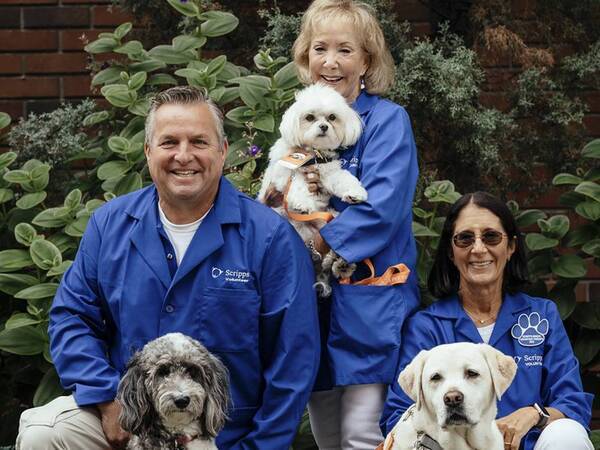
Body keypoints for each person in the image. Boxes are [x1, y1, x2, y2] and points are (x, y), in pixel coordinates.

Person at [16, 86, 321, 450]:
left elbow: (294, 359)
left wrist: (259, 446)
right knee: (43, 435)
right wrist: (107, 399)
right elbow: (71, 317)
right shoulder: (110, 225)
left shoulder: (270, 238)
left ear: (223, 152)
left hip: (222, 433)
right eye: (169, 142)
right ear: (148, 152)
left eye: (199, 142)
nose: (183, 155)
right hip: (127, 420)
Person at [291, 1, 420, 448]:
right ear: (306, 58)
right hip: (312, 307)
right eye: (319, 48)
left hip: (370, 301)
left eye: (345, 50)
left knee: (363, 436)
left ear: (366, 60)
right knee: (327, 437)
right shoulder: (299, 126)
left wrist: (313, 249)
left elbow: (380, 209)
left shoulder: (387, 122)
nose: (330, 61)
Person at [381, 191, 594, 450]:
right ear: (451, 250)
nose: (479, 248)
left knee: (567, 433)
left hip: (531, 445)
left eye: (491, 236)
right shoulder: (426, 326)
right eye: (465, 238)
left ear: (511, 246)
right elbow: (398, 414)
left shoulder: (541, 316)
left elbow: (571, 401)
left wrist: (534, 414)